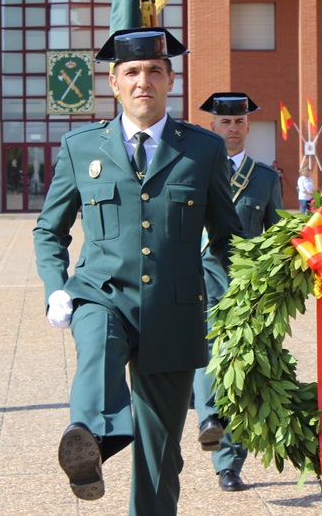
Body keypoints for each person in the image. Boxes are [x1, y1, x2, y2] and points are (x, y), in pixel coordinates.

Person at [33, 28, 242, 515]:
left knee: (161, 453)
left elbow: (230, 239)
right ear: (113, 82)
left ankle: (106, 449)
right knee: (97, 350)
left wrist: (248, 296)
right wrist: (54, 288)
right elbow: (50, 230)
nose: (142, 80)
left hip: (174, 309)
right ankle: (87, 440)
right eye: (131, 72)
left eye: (153, 71)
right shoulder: (80, 147)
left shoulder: (204, 150)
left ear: (170, 78)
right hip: (99, 293)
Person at [193, 91, 281, 493]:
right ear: (212, 126)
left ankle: (230, 463)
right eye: (224, 122)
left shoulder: (266, 178)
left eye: (238, 122)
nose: (231, 128)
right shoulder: (193, 170)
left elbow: (277, 236)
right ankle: (209, 419)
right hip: (200, 283)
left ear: (248, 127)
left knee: (241, 373)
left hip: (247, 288)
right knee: (206, 359)